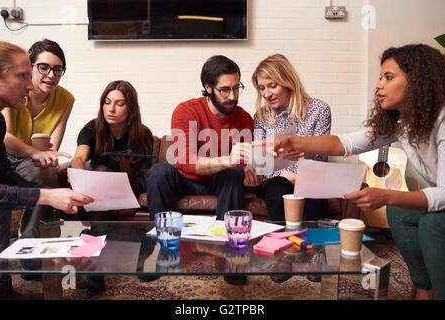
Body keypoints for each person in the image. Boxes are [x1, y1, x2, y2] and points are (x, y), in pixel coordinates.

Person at [262, 44, 445, 300]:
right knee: (399, 213)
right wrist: (292, 142)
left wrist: (385, 196)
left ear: (419, 82)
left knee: (432, 223)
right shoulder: (401, 122)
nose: (379, 85)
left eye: (388, 78)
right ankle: (423, 286)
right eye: (380, 78)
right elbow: (344, 143)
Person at [0, 40, 93, 298]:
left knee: (45, 174)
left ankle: (7, 277)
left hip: (21, 165)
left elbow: (3, 175)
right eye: (23, 76)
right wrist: (47, 195)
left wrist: (54, 195)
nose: (30, 85)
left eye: (58, 69)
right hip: (16, 156)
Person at [146, 55, 253, 221]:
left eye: (236, 88)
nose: (232, 96)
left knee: (234, 172)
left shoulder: (244, 119)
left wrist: (254, 171)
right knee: (158, 172)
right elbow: (187, 162)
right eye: (225, 90)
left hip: (221, 182)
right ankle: (164, 236)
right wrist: (228, 160)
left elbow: (247, 167)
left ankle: (225, 237)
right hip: (185, 180)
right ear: (208, 88)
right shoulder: (186, 111)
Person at [1, 39, 74, 239]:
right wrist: (35, 152)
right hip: (4, 155)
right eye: (44, 68)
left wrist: (45, 156)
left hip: (29, 162)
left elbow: (52, 151)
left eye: (58, 70)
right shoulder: (11, 93)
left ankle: (34, 236)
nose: (51, 75)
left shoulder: (65, 99)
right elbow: (4, 136)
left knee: (46, 169)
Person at [247, 53, 331, 222]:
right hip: (274, 180)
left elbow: (323, 155)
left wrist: (302, 165)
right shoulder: (261, 116)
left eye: (272, 86)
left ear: (288, 82)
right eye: (262, 88)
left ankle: (313, 246)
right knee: (278, 187)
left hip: (309, 176)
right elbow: (258, 162)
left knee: (313, 187)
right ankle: (281, 242)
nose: (266, 94)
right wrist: (283, 174)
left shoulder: (320, 109)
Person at [71, 80, 153, 217]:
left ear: (131, 108)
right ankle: (103, 228)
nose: (111, 109)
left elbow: (143, 172)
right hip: (99, 180)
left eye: (119, 104)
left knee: (107, 180)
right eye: (107, 102)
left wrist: (125, 167)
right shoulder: (92, 128)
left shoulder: (144, 134)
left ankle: (98, 232)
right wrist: (82, 179)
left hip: (130, 181)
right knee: (101, 172)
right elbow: (79, 157)